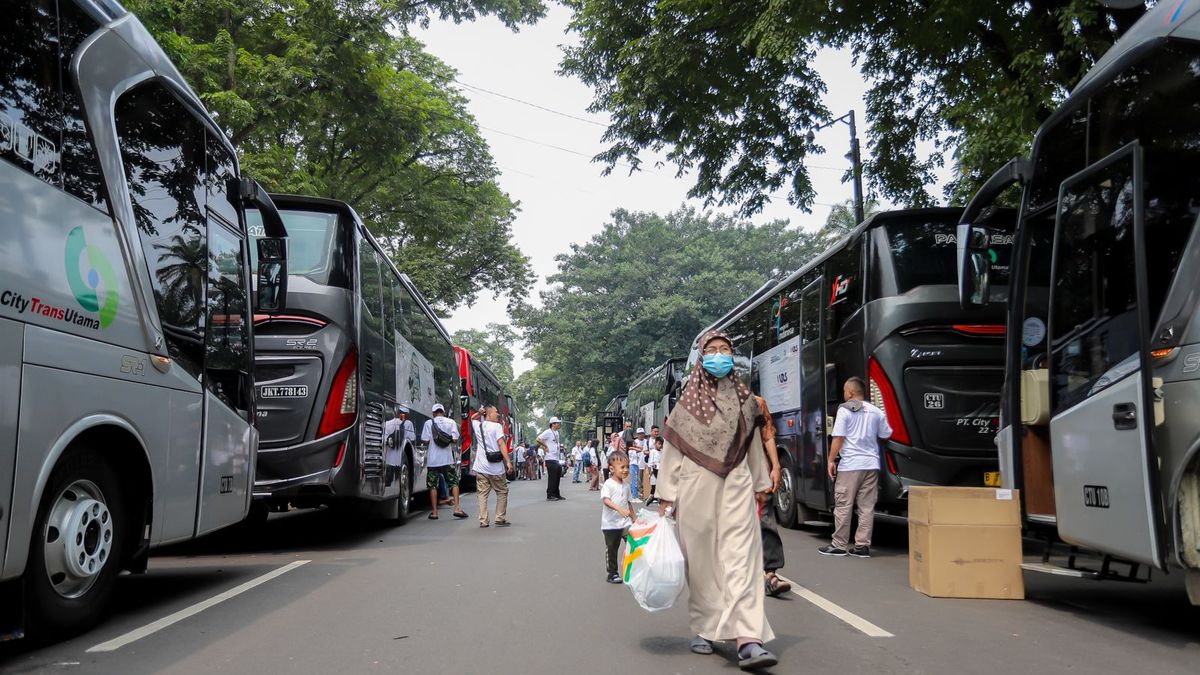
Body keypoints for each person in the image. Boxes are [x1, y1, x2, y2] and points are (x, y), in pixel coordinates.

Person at [657, 330, 776, 671]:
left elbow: (752, 445)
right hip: (695, 486)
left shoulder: (746, 400)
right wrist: (667, 495)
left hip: (737, 482)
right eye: (712, 350)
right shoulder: (685, 405)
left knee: (743, 557)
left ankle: (748, 638)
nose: (719, 355)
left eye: (725, 350)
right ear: (701, 358)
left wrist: (761, 481)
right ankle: (705, 628)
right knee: (703, 561)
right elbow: (672, 454)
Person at [819, 377, 893, 558]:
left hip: (850, 464)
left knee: (844, 504)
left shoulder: (844, 410)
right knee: (866, 507)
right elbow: (887, 433)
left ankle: (839, 544)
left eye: (845, 391)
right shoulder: (876, 412)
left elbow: (838, 438)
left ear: (850, 393)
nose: (844, 395)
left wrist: (830, 460)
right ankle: (862, 546)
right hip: (871, 464)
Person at [753, 395, 790, 597]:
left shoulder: (757, 403)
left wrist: (776, 465)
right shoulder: (709, 402)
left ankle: (770, 574)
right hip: (728, 478)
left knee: (766, 520)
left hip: (758, 474)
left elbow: (767, 434)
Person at [423, 403, 467, 520]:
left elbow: (425, 441)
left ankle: (434, 512)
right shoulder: (451, 422)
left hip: (433, 460)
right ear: (443, 412)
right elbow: (454, 439)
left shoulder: (428, 423)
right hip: (447, 459)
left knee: (432, 485)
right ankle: (457, 508)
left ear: (433, 413)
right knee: (454, 482)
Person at [472, 406, 513, 528]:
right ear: (488, 414)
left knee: (482, 494)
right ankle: (500, 518)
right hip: (496, 468)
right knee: (502, 491)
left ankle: (483, 521)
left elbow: (473, 418)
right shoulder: (497, 426)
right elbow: (501, 443)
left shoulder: (478, 426)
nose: (498, 414)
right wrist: (508, 462)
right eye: (496, 412)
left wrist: (479, 413)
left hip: (481, 467)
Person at [600, 450, 634, 584]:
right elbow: (606, 500)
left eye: (627, 467)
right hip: (610, 524)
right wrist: (619, 509)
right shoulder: (608, 484)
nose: (625, 470)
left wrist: (635, 519)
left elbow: (629, 503)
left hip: (625, 523)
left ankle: (632, 570)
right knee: (612, 549)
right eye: (622, 467)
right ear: (612, 469)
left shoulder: (626, 486)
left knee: (632, 544)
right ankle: (612, 573)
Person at [383, 405, 414, 488]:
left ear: (397, 412)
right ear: (407, 414)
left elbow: (385, 439)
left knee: (388, 482)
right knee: (400, 482)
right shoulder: (408, 423)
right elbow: (411, 438)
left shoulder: (388, 423)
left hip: (389, 459)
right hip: (400, 458)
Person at [537, 417, 566, 501]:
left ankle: (556, 493)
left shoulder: (556, 433)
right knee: (552, 477)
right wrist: (545, 446)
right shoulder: (548, 432)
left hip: (556, 458)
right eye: (557, 423)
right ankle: (550, 495)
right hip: (550, 458)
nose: (559, 424)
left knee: (557, 476)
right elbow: (538, 439)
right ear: (553, 424)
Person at [646, 436, 663, 505]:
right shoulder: (653, 451)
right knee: (654, 486)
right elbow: (650, 462)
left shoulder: (662, 451)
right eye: (659, 444)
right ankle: (652, 497)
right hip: (655, 470)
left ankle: (659, 499)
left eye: (661, 444)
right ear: (655, 443)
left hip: (661, 470)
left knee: (659, 486)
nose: (660, 446)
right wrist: (650, 472)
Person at [628, 428, 644, 501]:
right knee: (634, 481)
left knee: (634, 481)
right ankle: (635, 496)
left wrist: (634, 446)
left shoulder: (632, 449)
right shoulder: (631, 450)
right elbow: (640, 450)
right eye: (634, 443)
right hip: (633, 465)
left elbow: (641, 449)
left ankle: (633, 496)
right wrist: (633, 447)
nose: (636, 444)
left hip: (635, 465)